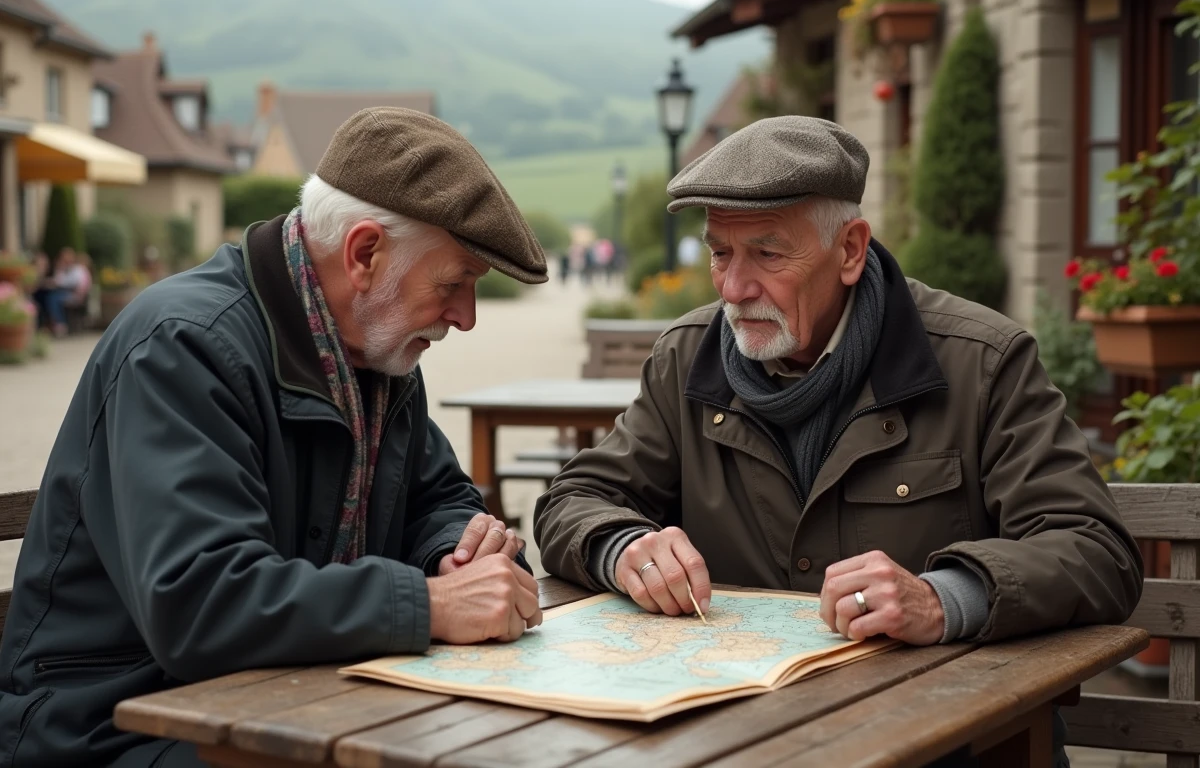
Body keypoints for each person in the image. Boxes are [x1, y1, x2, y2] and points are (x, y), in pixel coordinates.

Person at [534, 116, 1142, 765]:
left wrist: (943, 598)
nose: (734, 288)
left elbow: (1097, 551)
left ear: (850, 250)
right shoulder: (685, 359)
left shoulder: (983, 361)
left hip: (948, 744)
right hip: (744, 744)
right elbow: (575, 499)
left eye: (767, 255)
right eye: (720, 254)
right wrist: (624, 547)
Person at [1, 108, 550, 767]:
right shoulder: (182, 347)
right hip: (115, 728)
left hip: (286, 700)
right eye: (454, 283)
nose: (465, 317)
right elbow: (200, 603)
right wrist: (428, 605)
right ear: (364, 254)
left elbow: (438, 499)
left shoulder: (377, 352)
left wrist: (458, 554)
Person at [32, 246, 91, 336]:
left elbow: (69, 283)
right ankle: (48, 323)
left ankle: (60, 324)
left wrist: (58, 279)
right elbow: (59, 280)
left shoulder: (77, 269)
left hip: (75, 297)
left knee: (53, 298)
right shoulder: (67, 269)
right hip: (69, 294)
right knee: (45, 297)